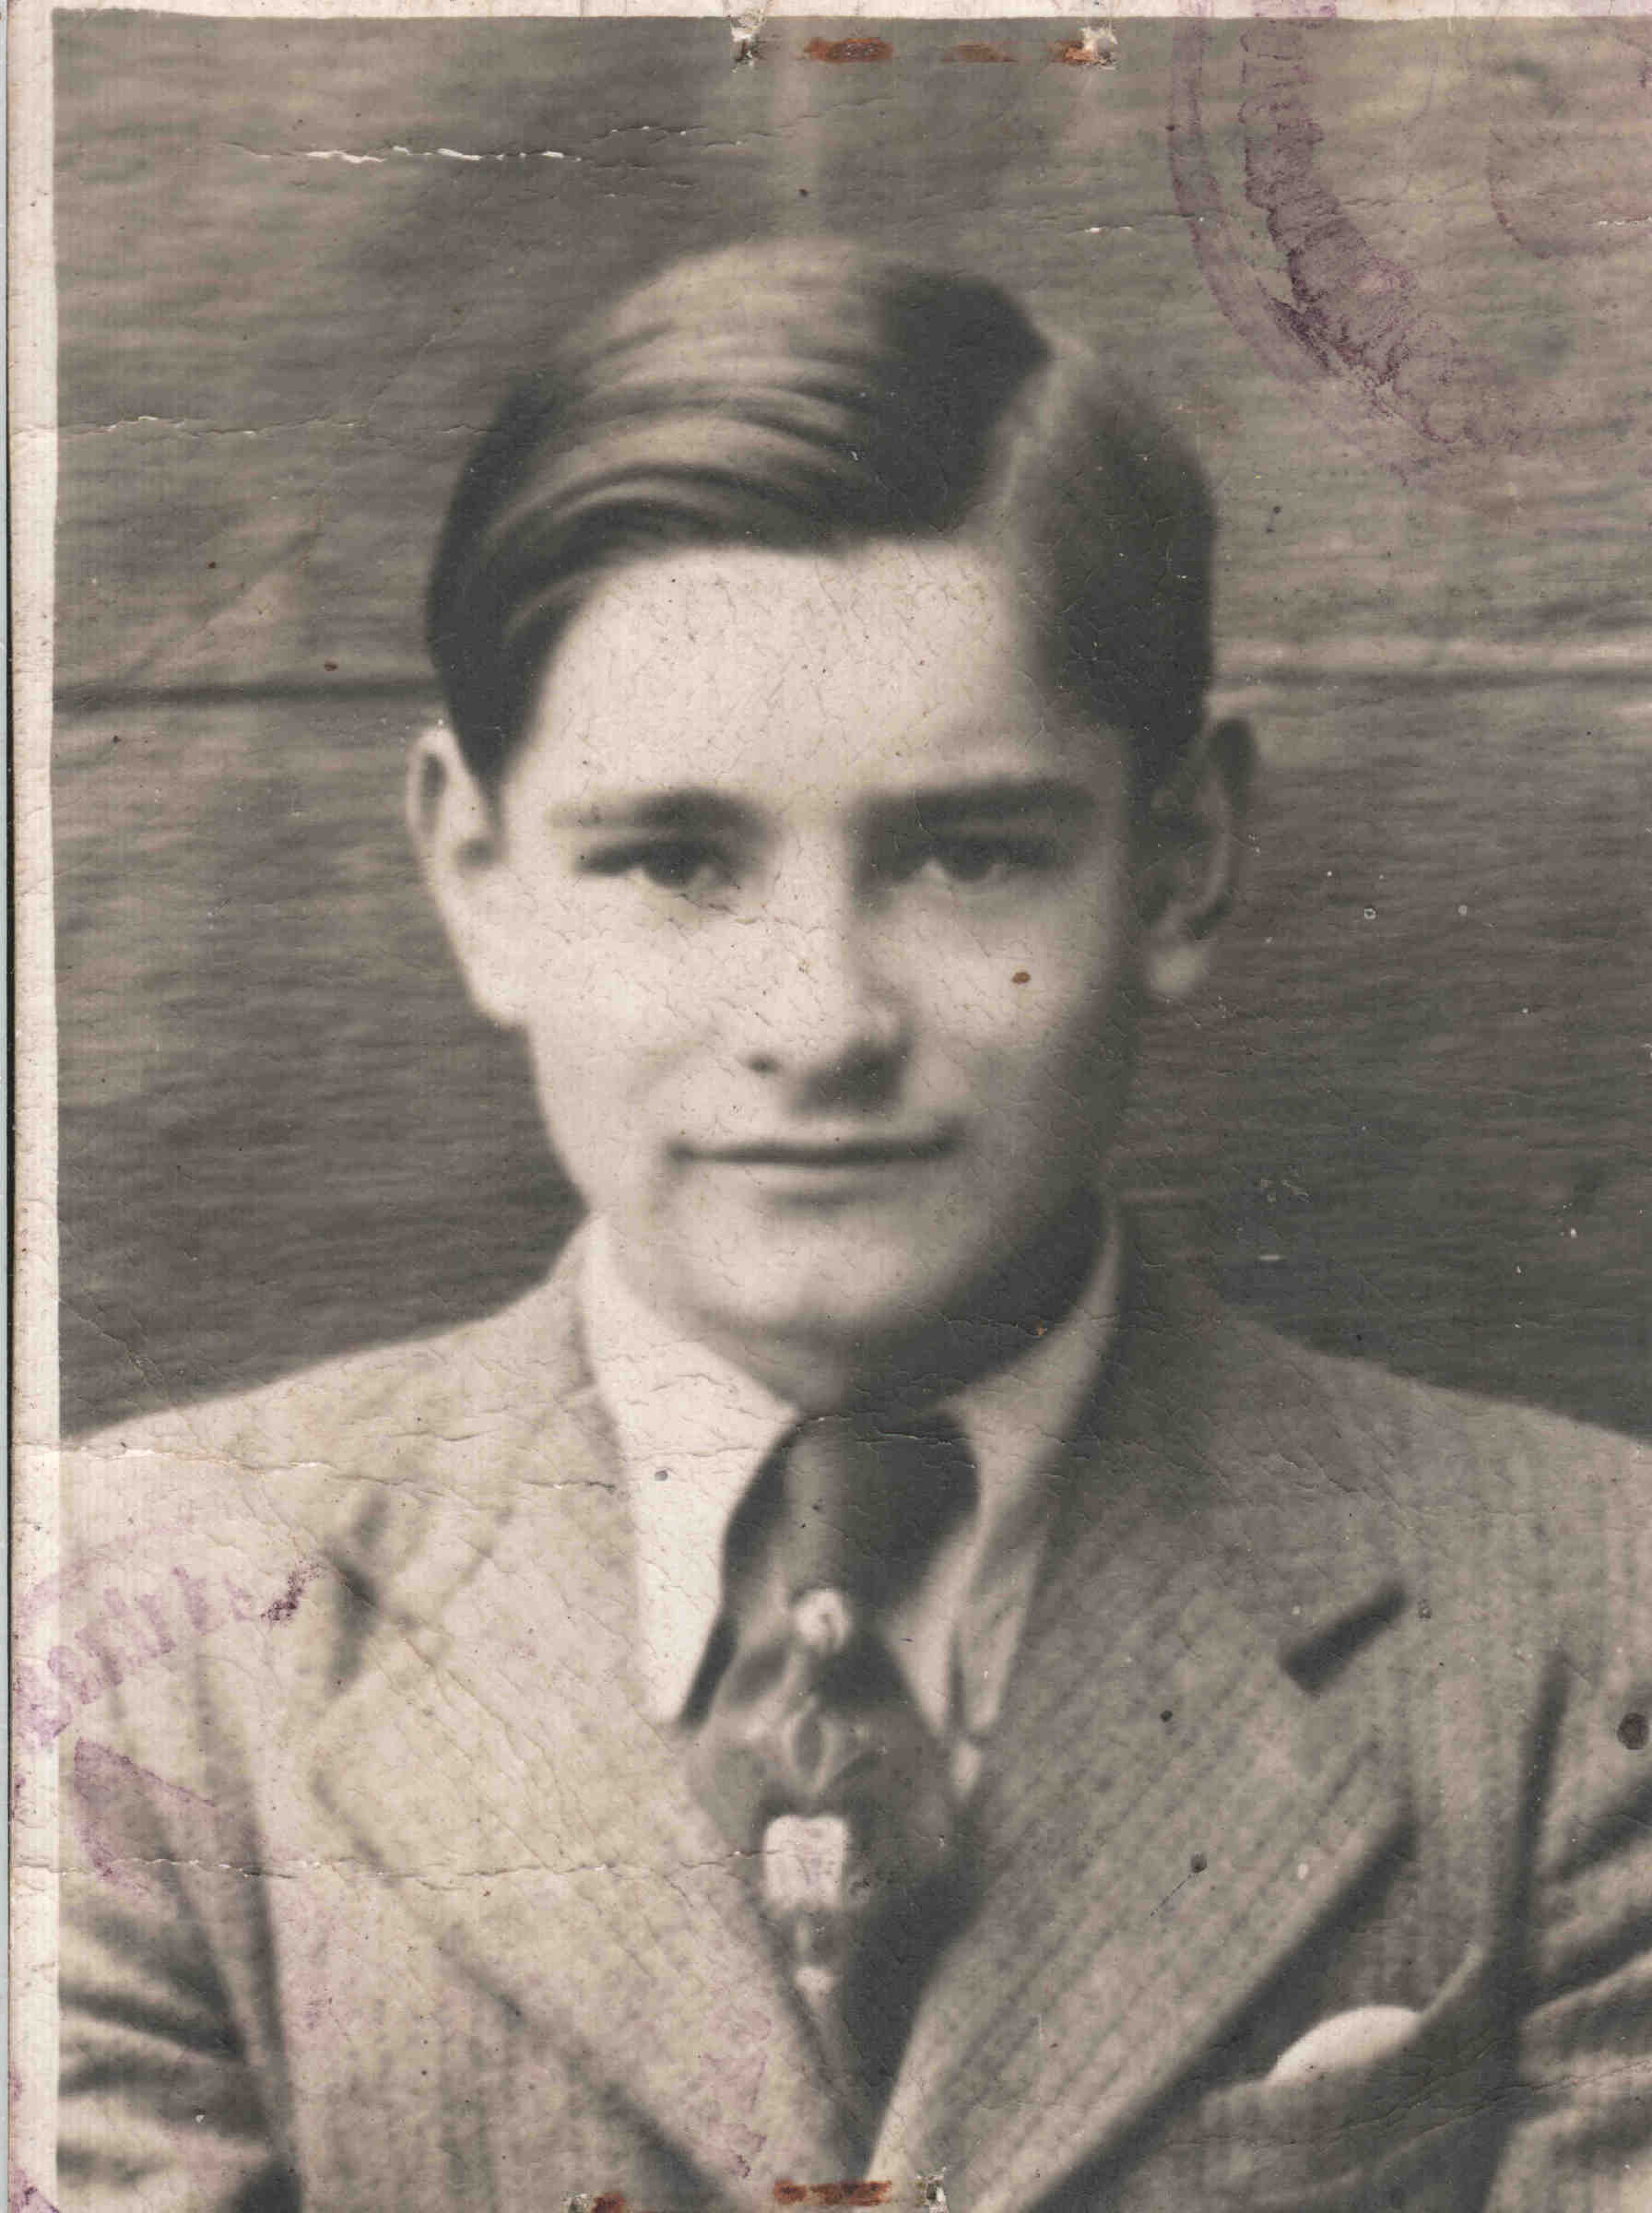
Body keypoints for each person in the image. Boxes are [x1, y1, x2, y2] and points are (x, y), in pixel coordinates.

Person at [54, 241, 1650, 2213]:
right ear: (476, 877)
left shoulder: (1593, 1629)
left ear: (1178, 863)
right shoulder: (121, 1636)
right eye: (671, 859)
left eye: (968, 854)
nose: (817, 1023)